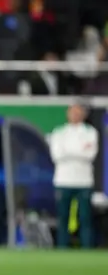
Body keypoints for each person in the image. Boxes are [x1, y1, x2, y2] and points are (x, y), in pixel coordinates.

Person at [48, 102, 98, 248]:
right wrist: (79, 151)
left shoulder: (91, 132)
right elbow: (56, 155)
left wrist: (68, 151)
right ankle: (63, 248)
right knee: (62, 218)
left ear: (83, 115)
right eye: (72, 112)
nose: (75, 115)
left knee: (85, 218)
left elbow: (89, 155)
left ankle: (87, 248)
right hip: (63, 180)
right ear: (68, 114)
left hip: (84, 181)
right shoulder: (59, 132)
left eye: (78, 112)